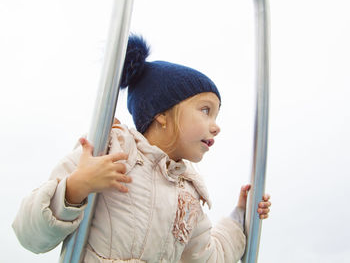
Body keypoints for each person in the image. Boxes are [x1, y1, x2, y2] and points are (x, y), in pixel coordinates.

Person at [13, 35, 271, 262]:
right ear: (162, 114)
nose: (216, 127)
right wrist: (76, 186)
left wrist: (242, 217)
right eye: (205, 110)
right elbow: (29, 235)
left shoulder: (188, 193)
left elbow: (208, 257)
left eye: (216, 116)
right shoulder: (111, 149)